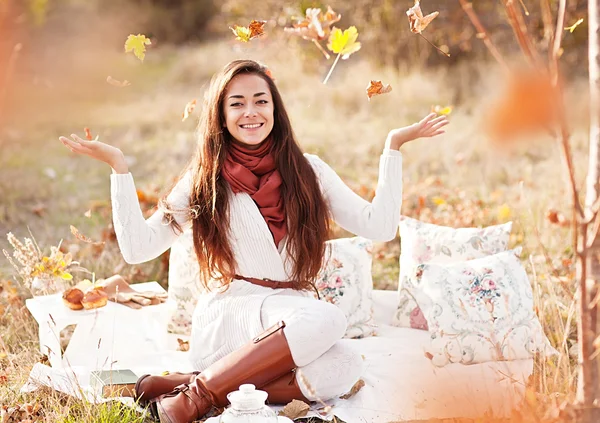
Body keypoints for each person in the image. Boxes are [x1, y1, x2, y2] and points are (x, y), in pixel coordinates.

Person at [59, 59, 448, 423]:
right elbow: (138, 248)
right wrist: (119, 168)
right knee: (328, 317)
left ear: (275, 110)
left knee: (346, 364)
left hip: (289, 319)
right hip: (234, 314)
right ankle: (190, 401)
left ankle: (186, 384)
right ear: (222, 115)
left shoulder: (309, 170)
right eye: (237, 104)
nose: (251, 113)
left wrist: (393, 148)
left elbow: (379, 226)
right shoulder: (206, 178)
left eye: (261, 101)